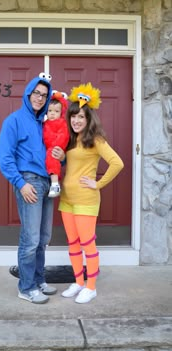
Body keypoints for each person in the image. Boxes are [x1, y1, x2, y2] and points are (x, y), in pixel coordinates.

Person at [54, 82, 124, 304]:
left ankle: (91, 287)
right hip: (66, 200)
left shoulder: (96, 139)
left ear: (88, 119)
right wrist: (58, 155)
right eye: (73, 116)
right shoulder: (70, 140)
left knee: (87, 243)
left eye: (81, 117)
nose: (76, 121)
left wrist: (98, 184)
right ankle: (78, 282)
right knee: (73, 243)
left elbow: (117, 163)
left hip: (86, 200)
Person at [0, 73, 57, 304]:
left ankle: (39, 280)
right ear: (28, 93)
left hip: (46, 182)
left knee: (44, 238)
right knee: (30, 238)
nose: (40, 98)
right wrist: (21, 184)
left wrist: (60, 159)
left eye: (44, 95)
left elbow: (51, 153)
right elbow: (4, 157)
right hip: (29, 181)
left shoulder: (44, 124)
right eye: (37, 93)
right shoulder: (13, 120)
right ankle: (26, 287)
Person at [43, 90, 69, 198]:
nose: (52, 113)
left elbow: (64, 136)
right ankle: (52, 183)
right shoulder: (44, 124)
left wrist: (55, 145)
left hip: (56, 147)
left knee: (52, 156)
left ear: (61, 113)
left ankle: (55, 184)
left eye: (56, 111)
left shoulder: (62, 123)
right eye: (50, 111)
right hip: (48, 148)